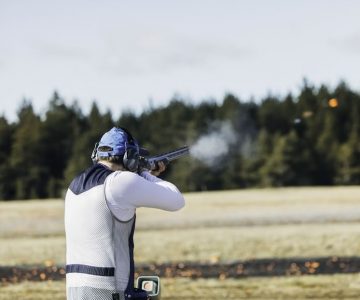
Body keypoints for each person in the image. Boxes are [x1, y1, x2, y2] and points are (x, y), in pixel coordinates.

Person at [64, 127, 185, 300]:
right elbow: (176, 200)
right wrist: (145, 173)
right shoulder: (119, 182)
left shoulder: (74, 185)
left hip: (75, 290)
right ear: (130, 158)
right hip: (109, 291)